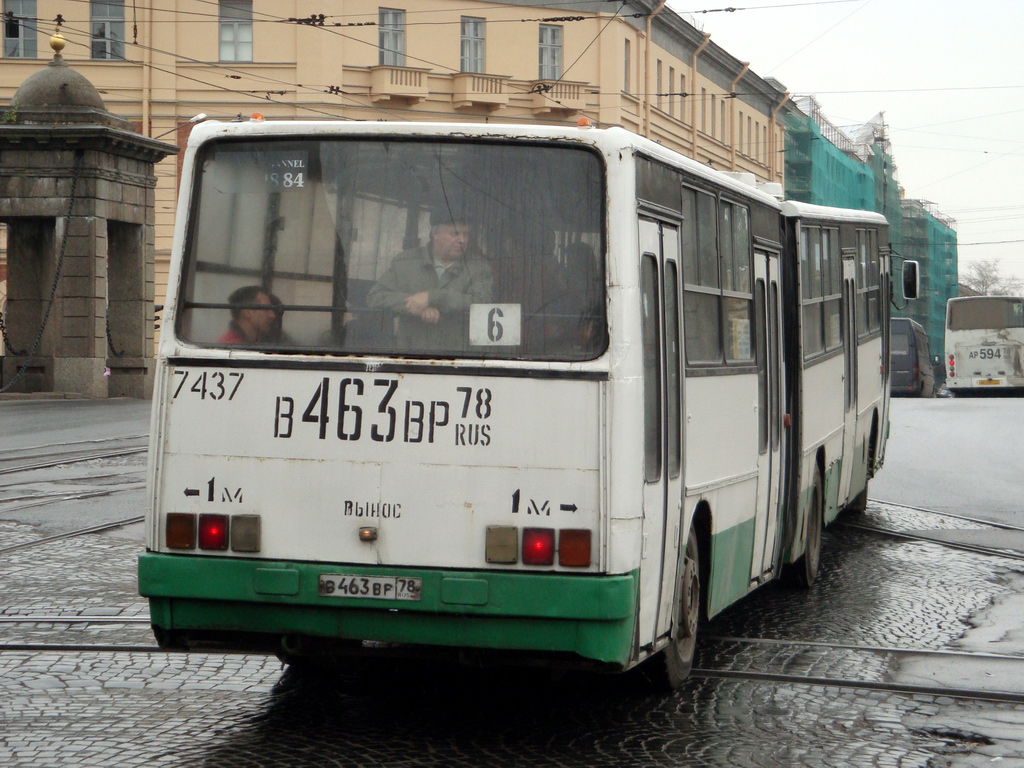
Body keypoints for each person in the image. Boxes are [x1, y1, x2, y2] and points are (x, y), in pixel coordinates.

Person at [366, 211, 492, 351]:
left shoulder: (478, 267)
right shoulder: (406, 262)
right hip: (410, 357)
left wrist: (433, 297)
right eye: (455, 234)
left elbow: (483, 303)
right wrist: (415, 306)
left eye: (466, 234)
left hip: (459, 358)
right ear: (435, 234)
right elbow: (375, 297)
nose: (462, 240)